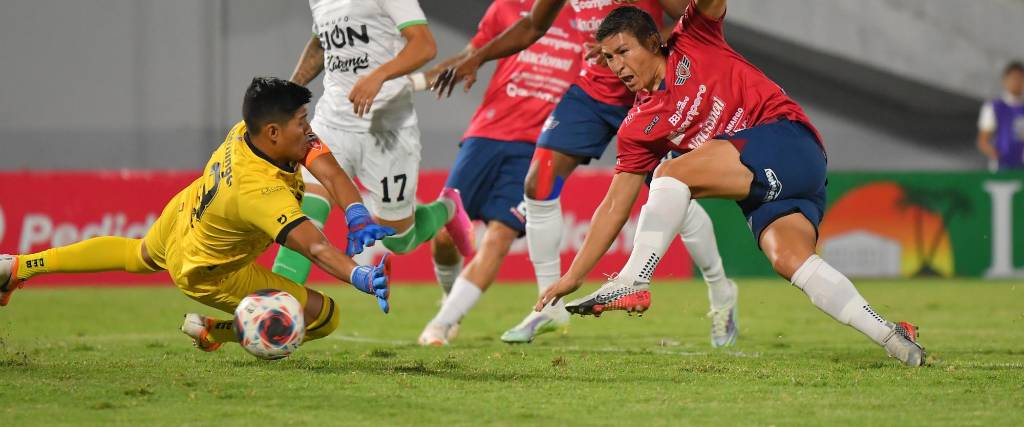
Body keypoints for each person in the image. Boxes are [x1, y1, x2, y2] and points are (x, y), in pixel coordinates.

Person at [534, 2, 927, 366]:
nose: (617, 66)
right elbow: (614, 206)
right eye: (607, 57)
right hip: (767, 191)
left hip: (790, 141)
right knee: (788, 259)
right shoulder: (637, 129)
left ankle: (634, 278)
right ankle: (892, 336)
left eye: (623, 52)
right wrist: (574, 275)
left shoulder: (695, 36)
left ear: (654, 42)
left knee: (670, 173)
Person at [0, 77, 393, 353]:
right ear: (274, 132)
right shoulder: (261, 192)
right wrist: (359, 275)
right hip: (210, 269)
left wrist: (356, 212)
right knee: (325, 317)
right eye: (301, 122)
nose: (308, 130)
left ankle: (19, 266)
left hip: (185, 213)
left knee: (137, 255)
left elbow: (329, 169)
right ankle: (217, 332)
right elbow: (318, 249)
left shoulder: (249, 131)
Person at [433, 0, 741, 347]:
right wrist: (477, 57)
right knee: (537, 182)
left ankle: (720, 291)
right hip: (593, 94)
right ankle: (548, 305)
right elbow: (533, 25)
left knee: (675, 196)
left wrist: (627, 48)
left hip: (651, 92)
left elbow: (690, 24)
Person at [272, 0, 475, 287]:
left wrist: (378, 76)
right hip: (332, 124)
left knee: (398, 240)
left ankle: (447, 208)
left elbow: (425, 46)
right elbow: (321, 43)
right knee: (305, 214)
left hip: (387, 130)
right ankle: (276, 308)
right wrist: (289, 91)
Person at [416, 0, 582, 346]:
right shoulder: (506, 8)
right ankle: (451, 299)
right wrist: (412, 83)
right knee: (446, 233)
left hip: (540, 147)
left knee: (499, 238)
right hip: (486, 135)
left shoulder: (586, 17)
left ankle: (441, 324)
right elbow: (468, 55)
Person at [977, 61, 1024, 171]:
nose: (1016, 82)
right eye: (1013, 78)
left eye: (1020, 78)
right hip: (1002, 166)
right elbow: (983, 140)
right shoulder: (994, 107)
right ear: (1005, 80)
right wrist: (996, 155)